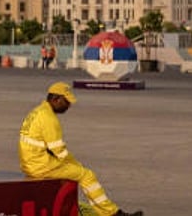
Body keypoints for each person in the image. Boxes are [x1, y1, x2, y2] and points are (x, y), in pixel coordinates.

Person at [18, 82, 143, 216]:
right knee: (86, 175)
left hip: (30, 163)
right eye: (66, 101)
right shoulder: (49, 119)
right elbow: (60, 152)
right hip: (41, 166)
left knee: (75, 170)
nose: (69, 105)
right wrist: (77, 165)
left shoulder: (36, 112)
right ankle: (112, 213)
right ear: (56, 99)